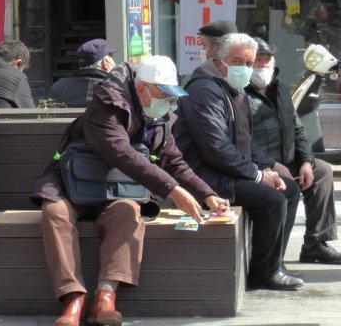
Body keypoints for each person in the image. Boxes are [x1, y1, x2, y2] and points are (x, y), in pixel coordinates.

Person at [30, 56, 230, 326]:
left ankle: (105, 298)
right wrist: (173, 190)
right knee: (55, 212)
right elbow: (122, 153)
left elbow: (174, 161)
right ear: (141, 89)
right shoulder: (107, 104)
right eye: (162, 94)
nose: (167, 102)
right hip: (72, 181)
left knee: (128, 212)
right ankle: (73, 298)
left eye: (171, 96)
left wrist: (207, 194)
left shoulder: (161, 117)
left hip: (120, 188)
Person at [173, 33, 304, 291]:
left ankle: (273, 262)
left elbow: (244, 139)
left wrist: (268, 166)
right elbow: (215, 147)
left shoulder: (234, 89)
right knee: (272, 200)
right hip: (206, 177)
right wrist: (257, 176)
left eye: (249, 63)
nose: (244, 68)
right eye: (237, 61)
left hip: (228, 170)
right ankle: (263, 273)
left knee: (290, 189)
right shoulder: (204, 89)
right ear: (219, 61)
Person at [246, 37, 341, 264]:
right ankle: (273, 259)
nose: (262, 65)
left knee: (322, 171)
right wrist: (271, 166)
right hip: (259, 166)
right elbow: (242, 140)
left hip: (288, 161)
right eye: (257, 60)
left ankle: (316, 243)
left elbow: (298, 129)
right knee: (290, 187)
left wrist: (305, 161)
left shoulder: (282, 91)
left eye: (267, 60)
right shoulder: (241, 96)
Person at [48, 39, 116, 107]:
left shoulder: (57, 88)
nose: (115, 63)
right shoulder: (118, 88)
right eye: (113, 59)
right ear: (105, 63)